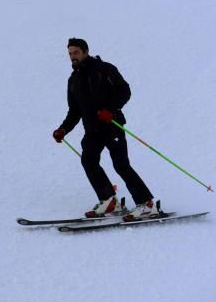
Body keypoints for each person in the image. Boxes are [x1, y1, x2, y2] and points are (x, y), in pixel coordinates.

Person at [52, 37, 157, 222]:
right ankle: (109, 201)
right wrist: (63, 129)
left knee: (121, 164)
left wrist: (110, 109)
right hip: (92, 130)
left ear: (85, 51)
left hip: (112, 125)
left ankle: (147, 204)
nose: (72, 56)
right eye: (70, 53)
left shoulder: (105, 69)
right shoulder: (73, 80)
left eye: (76, 52)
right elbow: (74, 111)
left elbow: (124, 90)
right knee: (88, 161)